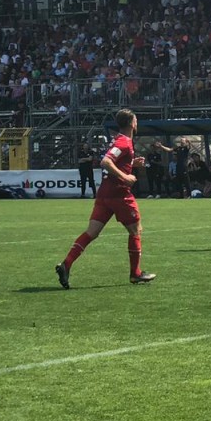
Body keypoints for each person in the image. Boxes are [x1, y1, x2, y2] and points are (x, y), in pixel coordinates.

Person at [56, 108, 156, 288]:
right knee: (135, 230)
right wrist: (125, 177)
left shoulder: (120, 141)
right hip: (119, 193)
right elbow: (106, 161)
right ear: (132, 123)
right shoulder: (124, 142)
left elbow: (114, 161)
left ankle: (67, 263)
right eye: (136, 120)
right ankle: (136, 273)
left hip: (104, 194)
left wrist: (132, 164)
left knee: (91, 232)